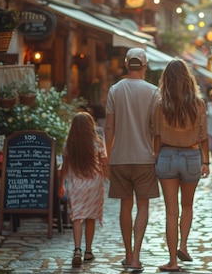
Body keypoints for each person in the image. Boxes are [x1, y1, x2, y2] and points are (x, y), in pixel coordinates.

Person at [104, 48, 160, 271]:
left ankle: (127, 254)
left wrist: (108, 156)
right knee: (143, 207)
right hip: (145, 158)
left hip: (119, 158)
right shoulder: (154, 92)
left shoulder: (114, 90)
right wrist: (155, 154)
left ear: (127, 65)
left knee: (125, 207)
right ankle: (136, 257)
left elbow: (109, 126)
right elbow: (156, 129)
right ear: (144, 66)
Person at [153, 59, 210, 272]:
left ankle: (172, 262)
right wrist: (206, 161)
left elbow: (156, 136)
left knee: (170, 211)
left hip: (166, 155)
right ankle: (183, 246)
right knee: (187, 205)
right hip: (192, 156)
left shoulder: (161, 104)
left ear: (166, 79)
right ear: (188, 78)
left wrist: (155, 158)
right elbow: (204, 136)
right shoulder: (199, 103)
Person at [58, 112, 108, 267]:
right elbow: (104, 163)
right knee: (91, 217)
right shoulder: (97, 143)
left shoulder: (68, 144)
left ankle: (77, 250)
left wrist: (61, 184)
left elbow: (65, 167)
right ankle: (88, 251)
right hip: (93, 184)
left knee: (77, 217)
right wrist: (111, 179)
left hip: (75, 184)